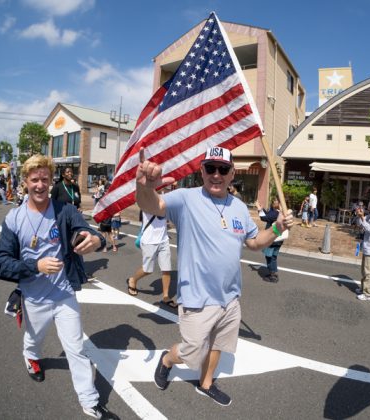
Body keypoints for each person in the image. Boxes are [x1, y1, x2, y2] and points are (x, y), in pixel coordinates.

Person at [137, 146, 294, 406]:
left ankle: (206, 383)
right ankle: (167, 359)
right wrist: (144, 187)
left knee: (218, 344)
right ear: (202, 171)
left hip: (230, 297)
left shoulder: (240, 208)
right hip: (197, 297)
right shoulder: (186, 198)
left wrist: (277, 227)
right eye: (211, 168)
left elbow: (254, 243)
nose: (216, 174)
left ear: (232, 173)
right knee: (191, 354)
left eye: (223, 169)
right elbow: (151, 203)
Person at [0, 155, 114, 419]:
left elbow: (87, 232)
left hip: (63, 293)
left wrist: (95, 240)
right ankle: (31, 355)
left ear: (50, 180)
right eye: (34, 179)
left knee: (76, 348)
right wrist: (35, 266)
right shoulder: (14, 219)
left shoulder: (64, 210)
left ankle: (89, 400)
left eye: (44, 179)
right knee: (35, 338)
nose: (40, 184)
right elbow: (2, 262)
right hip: (34, 297)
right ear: (25, 182)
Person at [126, 209, 176, 308]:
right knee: (147, 270)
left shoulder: (165, 201)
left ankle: (166, 297)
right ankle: (133, 279)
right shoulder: (146, 202)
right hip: (149, 241)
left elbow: (166, 220)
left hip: (163, 240)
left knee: (166, 269)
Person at [255, 198, 287, 282]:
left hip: (272, 238)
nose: (274, 202)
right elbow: (268, 215)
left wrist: (259, 209)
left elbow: (264, 218)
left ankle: (273, 275)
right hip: (279, 238)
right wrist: (262, 209)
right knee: (274, 256)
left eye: (275, 201)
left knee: (269, 256)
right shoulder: (281, 212)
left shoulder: (276, 213)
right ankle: (273, 272)